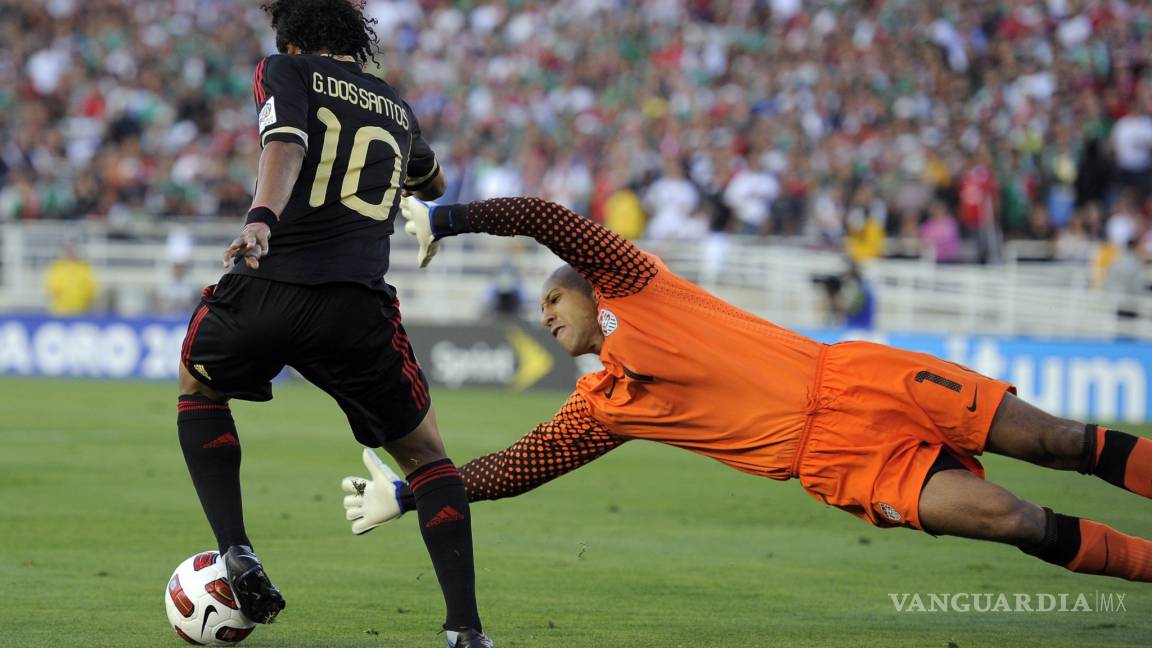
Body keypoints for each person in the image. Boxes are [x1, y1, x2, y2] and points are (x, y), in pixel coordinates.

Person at [344, 195, 1152, 586]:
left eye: (554, 300)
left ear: (588, 290)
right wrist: (418, 493)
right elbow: (519, 467)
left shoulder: (637, 283)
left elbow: (546, 217)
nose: (546, 317)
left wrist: (450, 218)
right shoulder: (602, 407)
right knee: (1010, 518)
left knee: (1061, 441)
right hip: (832, 459)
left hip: (861, 377)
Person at [177, 2, 492, 646]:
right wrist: (410, 177)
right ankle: (466, 632)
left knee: (198, 385)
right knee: (430, 460)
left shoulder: (285, 72)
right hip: (355, 305)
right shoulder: (395, 108)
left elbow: (285, 142)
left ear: (292, 40)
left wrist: (263, 215)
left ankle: (236, 549)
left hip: (269, 285)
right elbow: (431, 181)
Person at [43, 242, 98, 315]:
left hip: (81, 311)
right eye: (68, 251)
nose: (70, 253)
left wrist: (90, 306)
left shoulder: (84, 268)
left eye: (72, 251)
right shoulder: (57, 268)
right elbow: (52, 289)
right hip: (61, 311)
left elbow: (91, 290)